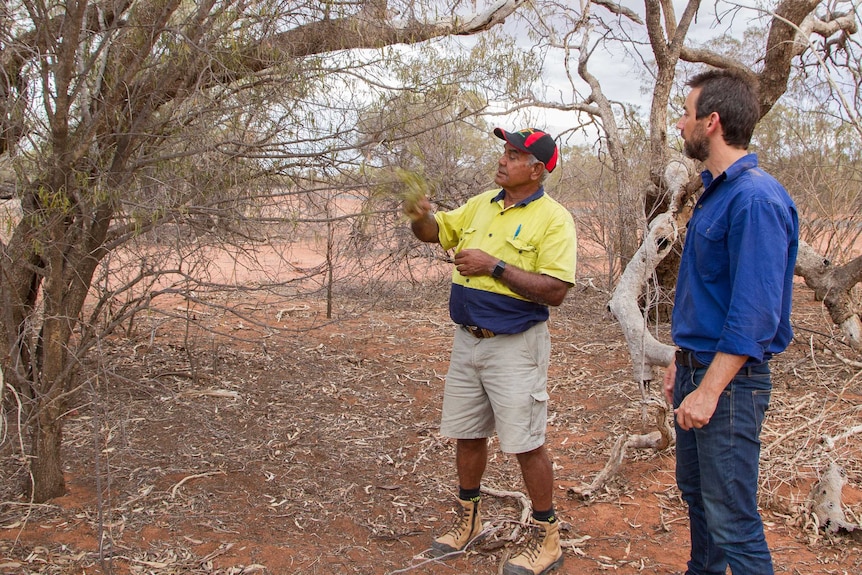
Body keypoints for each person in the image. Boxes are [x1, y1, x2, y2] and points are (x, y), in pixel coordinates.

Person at [405, 127, 576, 575]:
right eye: (504, 151)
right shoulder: (483, 203)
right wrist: (418, 216)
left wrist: (493, 266)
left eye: (515, 155)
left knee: (526, 443)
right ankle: (469, 518)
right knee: (468, 433)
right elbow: (433, 232)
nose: (503, 160)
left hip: (516, 347)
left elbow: (555, 290)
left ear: (537, 169)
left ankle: (547, 537)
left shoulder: (554, 219)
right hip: (468, 341)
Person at [662, 69, 799, 575]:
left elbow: (754, 312)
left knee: (732, 521)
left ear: (712, 121)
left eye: (687, 112)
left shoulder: (755, 198)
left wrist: (710, 388)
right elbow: (710, 293)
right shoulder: (715, 193)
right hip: (697, 369)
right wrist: (683, 363)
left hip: (730, 384)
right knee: (700, 500)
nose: (680, 123)